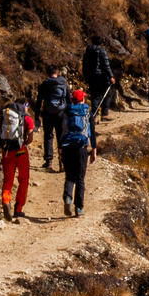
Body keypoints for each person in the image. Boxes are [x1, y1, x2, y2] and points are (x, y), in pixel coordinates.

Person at [0, 95, 34, 223]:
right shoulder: (27, 118)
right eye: (27, 106)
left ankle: (6, 200)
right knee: (24, 180)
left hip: (7, 152)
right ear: (24, 106)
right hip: (21, 152)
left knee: (8, 181)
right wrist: (24, 143)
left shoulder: (6, 116)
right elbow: (30, 138)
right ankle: (18, 209)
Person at [60, 86, 97, 218]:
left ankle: (68, 197)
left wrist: (60, 147)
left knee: (69, 176)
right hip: (81, 148)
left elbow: (61, 130)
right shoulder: (88, 112)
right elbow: (92, 133)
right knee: (80, 178)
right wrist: (94, 149)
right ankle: (79, 207)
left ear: (72, 100)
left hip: (67, 146)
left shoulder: (66, 111)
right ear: (82, 99)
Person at [34, 67, 71, 172]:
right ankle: (62, 162)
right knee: (61, 137)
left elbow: (39, 101)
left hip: (47, 113)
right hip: (61, 113)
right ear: (57, 73)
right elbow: (69, 99)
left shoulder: (44, 84)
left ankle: (48, 161)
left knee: (48, 136)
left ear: (47, 73)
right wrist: (69, 114)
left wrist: (37, 116)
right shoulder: (64, 83)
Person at [82, 35, 120, 121]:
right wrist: (111, 76)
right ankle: (104, 114)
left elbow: (84, 65)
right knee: (108, 93)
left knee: (95, 96)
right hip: (101, 76)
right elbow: (106, 65)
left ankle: (94, 116)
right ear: (101, 42)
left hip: (91, 76)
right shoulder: (101, 51)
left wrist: (86, 76)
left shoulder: (87, 51)